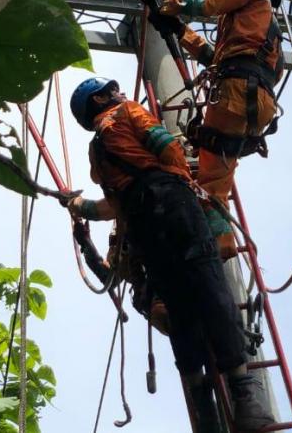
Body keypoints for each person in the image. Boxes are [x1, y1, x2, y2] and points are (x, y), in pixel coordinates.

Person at [66, 75, 274, 433]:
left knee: (182, 315)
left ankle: (204, 411)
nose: (119, 93)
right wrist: (184, 183)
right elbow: (167, 146)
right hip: (174, 206)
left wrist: (78, 206)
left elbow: (110, 208)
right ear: (100, 101)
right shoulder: (128, 111)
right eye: (110, 92)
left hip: (145, 228)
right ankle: (244, 396)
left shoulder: (97, 152)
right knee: (212, 291)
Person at [138, 0, 287, 259]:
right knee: (215, 187)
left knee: (207, 182)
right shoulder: (265, 34)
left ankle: (207, 246)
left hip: (235, 94)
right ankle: (223, 245)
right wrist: (179, 30)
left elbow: (207, 4)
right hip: (256, 106)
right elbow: (214, 58)